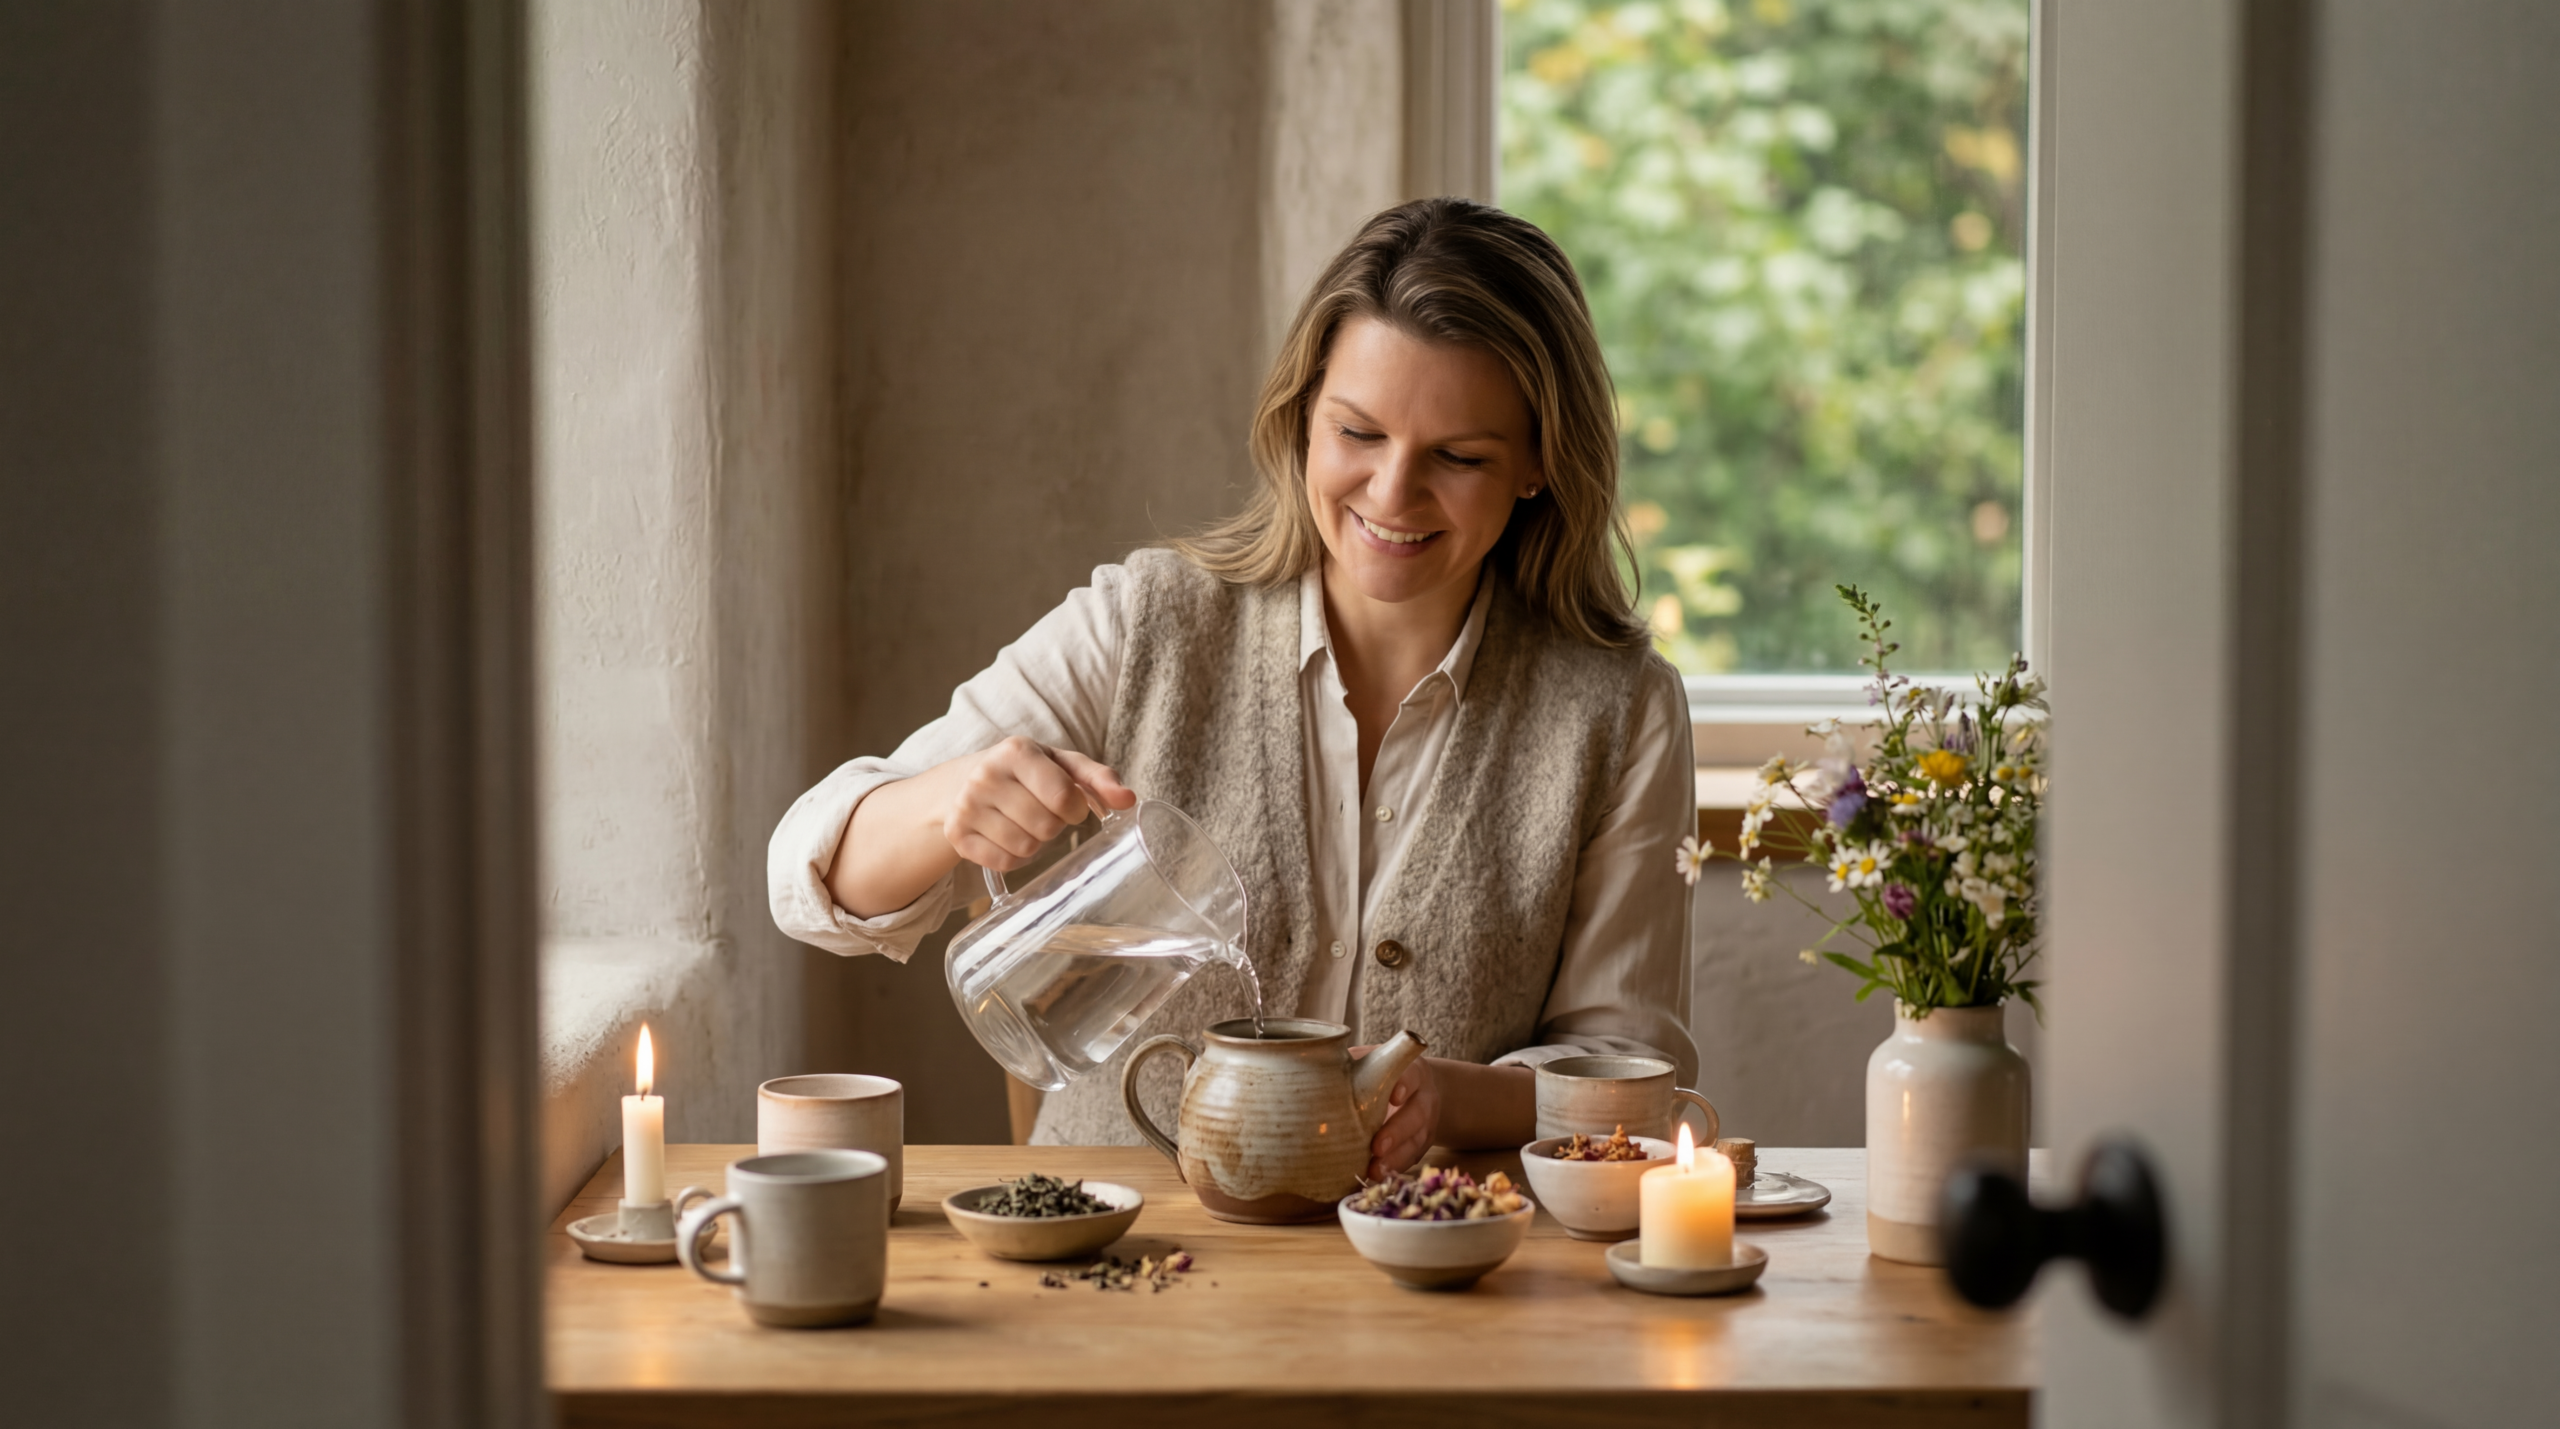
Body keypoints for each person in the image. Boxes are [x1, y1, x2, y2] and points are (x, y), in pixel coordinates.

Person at [769, 197, 1696, 1171]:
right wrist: (948, 802)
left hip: (1433, 1251)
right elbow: (805, 879)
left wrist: (1453, 1098)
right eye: (1357, 433)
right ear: (1302, 420)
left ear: (1539, 463)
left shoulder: (1620, 709)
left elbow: (1632, 1078)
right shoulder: (1147, 622)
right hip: (1117, 1240)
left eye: (1458, 457)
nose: (1392, 493)